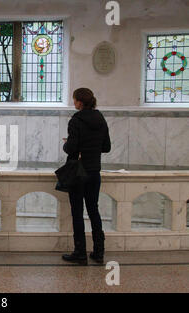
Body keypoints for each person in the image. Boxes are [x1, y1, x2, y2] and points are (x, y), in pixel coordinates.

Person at [61, 88, 111, 265]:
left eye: (74, 100)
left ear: (80, 102)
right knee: (93, 210)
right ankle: (99, 251)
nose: (73, 103)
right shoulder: (100, 118)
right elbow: (106, 147)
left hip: (78, 172)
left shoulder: (76, 120)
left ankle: (80, 252)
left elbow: (71, 148)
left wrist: (66, 144)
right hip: (94, 171)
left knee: (77, 212)